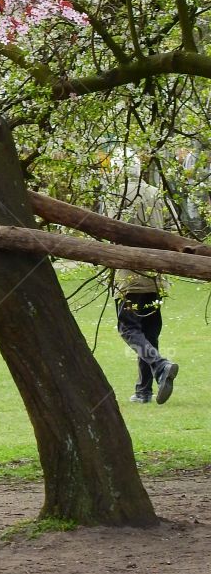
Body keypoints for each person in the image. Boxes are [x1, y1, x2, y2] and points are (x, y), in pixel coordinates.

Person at [113, 167, 179, 405]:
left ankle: (161, 366)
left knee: (129, 328)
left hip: (128, 276)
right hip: (155, 275)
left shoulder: (116, 194)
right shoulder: (156, 193)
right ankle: (144, 391)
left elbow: (107, 232)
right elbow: (172, 229)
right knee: (149, 332)